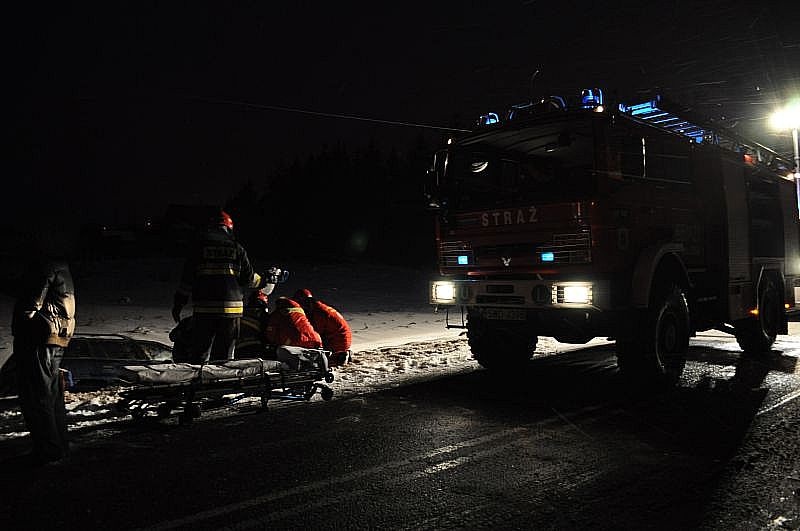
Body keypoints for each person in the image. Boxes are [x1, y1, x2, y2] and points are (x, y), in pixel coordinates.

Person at [171, 210, 266, 363]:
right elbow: (248, 279)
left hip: (205, 310)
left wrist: (178, 304)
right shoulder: (237, 249)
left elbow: (187, 280)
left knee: (199, 354)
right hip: (231, 312)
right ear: (229, 229)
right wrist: (264, 280)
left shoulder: (199, 249)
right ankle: (219, 376)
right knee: (223, 357)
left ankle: (198, 377)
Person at [10, 250, 76, 465]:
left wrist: (24, 318)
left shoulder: (44, 266)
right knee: (51, 396)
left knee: (37, 396)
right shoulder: (61, 266)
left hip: (38, 337)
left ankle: (48, 450)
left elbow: (30, 304)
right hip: (55, 337)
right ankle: (58, 447)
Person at [293, 288, 352, 366]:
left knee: (312, 347)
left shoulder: (318, 313)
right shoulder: (318, 308)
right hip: (343, 338)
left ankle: (339, 355)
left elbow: (315, 334)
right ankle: (340, 354)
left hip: (339, 341)